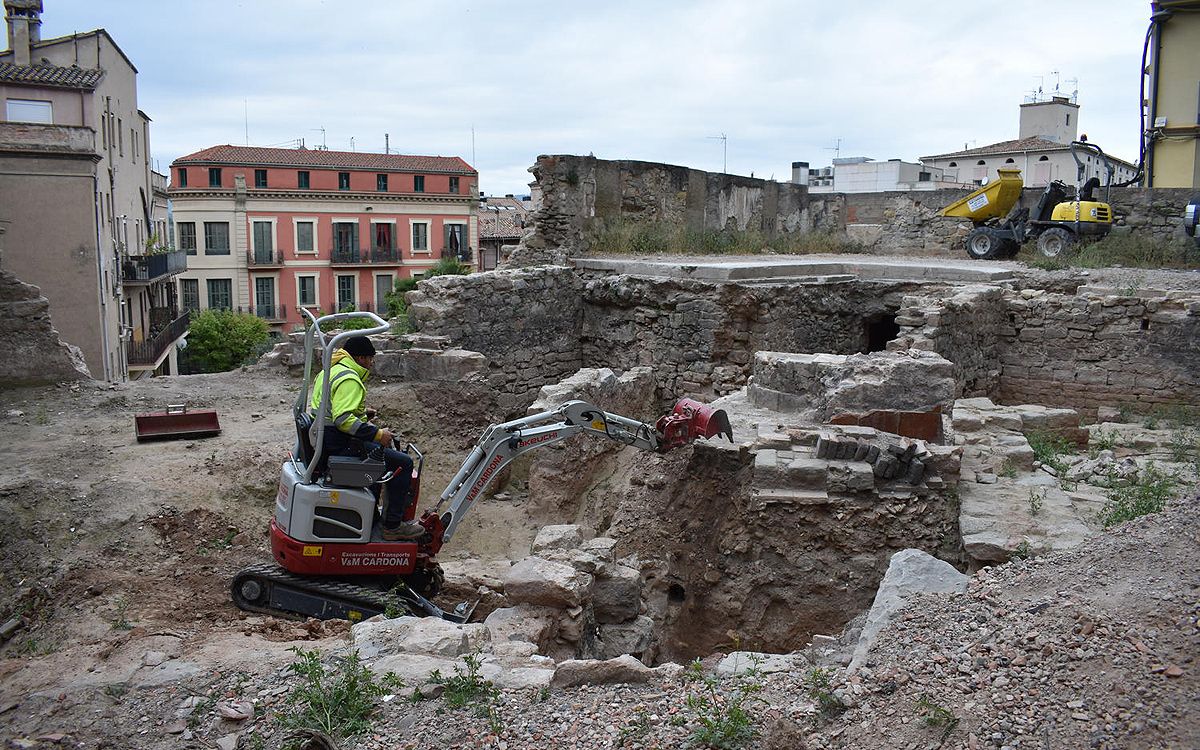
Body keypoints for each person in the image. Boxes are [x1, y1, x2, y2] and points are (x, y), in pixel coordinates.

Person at [310, 335, 424, 540]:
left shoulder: (330, 371)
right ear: (361, 358)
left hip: (324, 439)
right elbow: (343, 419)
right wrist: (378, 434)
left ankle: (370, 516)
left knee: (377, 460)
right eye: (371, 358)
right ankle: (392, 526)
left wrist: (364, 416)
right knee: (403, 463)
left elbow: (330, 407)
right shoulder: (349, 379)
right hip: (339, 444)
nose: (372, 363)